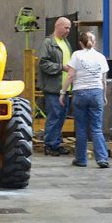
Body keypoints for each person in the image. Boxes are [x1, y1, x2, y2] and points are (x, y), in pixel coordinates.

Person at [63, 30, 111, 168]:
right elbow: (104, 81)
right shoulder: (101, 57)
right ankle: (102, 159)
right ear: (94, 42)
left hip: (80, 93)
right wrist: (104, 96)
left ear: (80, 43)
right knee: (96, 128)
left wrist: (63, 92)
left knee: (81, 128)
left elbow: (70, 75)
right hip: (96, 93)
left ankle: (81, 159)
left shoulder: (76, 55)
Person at [37, 17, 73, 156]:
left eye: (69, 28)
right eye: (66, 28)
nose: (68, 31)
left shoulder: (66, 43)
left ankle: (56, 143)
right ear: (57, 26)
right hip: (53, 88)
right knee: (54, 116)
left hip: (65, 88)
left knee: (62, 116)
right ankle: (50, 144)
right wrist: (61, 67)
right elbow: (43, 63)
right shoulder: (48, 43)